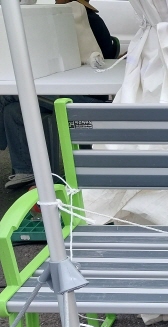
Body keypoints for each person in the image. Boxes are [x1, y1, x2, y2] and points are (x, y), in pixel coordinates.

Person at [0, 0, 116, 189]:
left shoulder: (89, 19)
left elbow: (107, 56)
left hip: (86, 95)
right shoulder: (56, 17)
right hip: (59, 89)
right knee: (13, 109)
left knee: (12, 95)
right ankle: (26, 171)